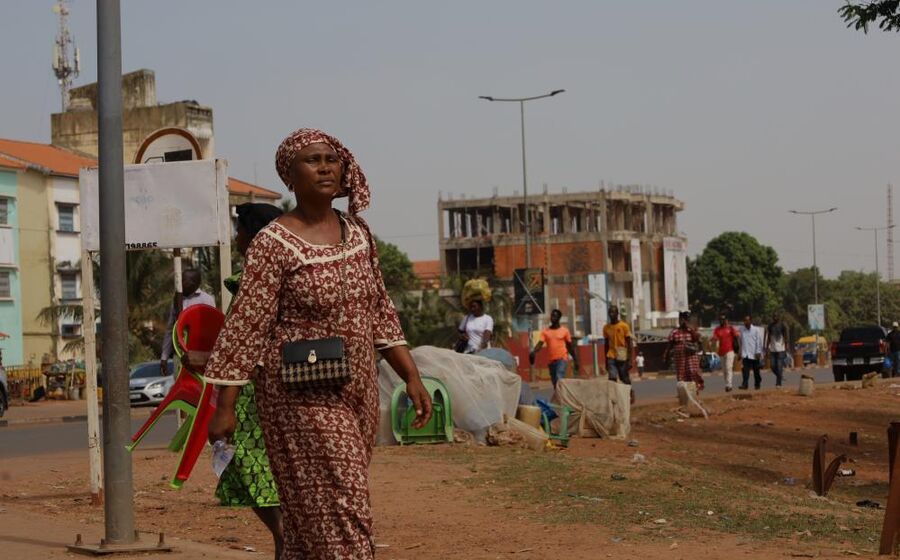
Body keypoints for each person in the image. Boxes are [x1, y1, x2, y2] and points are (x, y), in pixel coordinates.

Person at [205, 128, 433, 559]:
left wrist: (411, 376)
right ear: (290, 176)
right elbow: (246, 325)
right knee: (345, 502)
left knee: (320, 509)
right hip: (299, 394)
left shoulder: (359, 233)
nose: (326, 166)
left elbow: (380, 309)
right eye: (313, 160)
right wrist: (226, 405)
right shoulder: (273, 244)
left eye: (331, 158)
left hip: (359, 389)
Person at [214, 203, 284, 558]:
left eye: (239, 229)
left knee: (255, 474)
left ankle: (287, 540)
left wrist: (225, 407)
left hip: (254, 403)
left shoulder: (257, 283)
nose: (236, 236)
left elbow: (246, 347)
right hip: (254, 397)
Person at [160, 268, 216, 376]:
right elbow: (170, 329)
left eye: (184, 281)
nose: (181, 284)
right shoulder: (177, 300)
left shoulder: (207, 299)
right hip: (179, 354)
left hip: (199, 355)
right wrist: (164, 357)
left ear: (195, 283)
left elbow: (212, 327)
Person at [529, 309, 580, 387]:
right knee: (555, 382)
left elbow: (570, 347)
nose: (552, 318)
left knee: (559, 377)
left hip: (562, 359)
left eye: (555, 316)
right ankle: (560, 397)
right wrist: (534, 352)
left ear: (559, 318)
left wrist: (575, 360)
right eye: (552, 316)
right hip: (551, 361)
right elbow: (540, 343)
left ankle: (561, 397)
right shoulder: (546, 332)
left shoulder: (565, 331)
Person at [663, 311, 704, 390]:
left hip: (691, 356)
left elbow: (698, 340)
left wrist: (690, 329)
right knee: (681, 374)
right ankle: (683, 392)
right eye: (682, 319)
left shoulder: (692, 330)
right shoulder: (675, 332)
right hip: (680, 357)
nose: (683, 321)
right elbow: (670, 344)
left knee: (693, 371)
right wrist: (665, 355)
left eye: (685, 319)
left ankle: (695, 389)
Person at [602, 306, 633, 384]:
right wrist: (606, 360)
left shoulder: (624, 326)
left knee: (624, 377)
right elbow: (606, 344)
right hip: (611, 355)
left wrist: (629, 359)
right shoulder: (606, 328)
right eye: (610, 312)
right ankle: (614, 395)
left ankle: (629, 393)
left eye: (613, 312)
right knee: (612, 378)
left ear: (617, 313)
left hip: (622, 354)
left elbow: (629, 343)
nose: (611, 314)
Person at [711, 313, 741, 392]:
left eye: (723, 319)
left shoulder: (730, 328)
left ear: (726, 320)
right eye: (720, 319)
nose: (721, 321)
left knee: (729, 367)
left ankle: (729, 385)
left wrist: (739, 347)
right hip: (721, 351)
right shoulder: (717, 329)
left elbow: (737, 335)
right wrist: (713, 339)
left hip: (730, 350)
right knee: (724, 370)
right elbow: (715, 337)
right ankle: (727, 384)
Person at [738, 314, 764, 390]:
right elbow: (740, 341)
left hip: (754, 354)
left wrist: (758, 352)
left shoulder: (756, 330)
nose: (745, 322)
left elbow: (759, 341)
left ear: (751, 321)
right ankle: (745, 384)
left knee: (756, 371)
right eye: (744, 320)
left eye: (747, 320)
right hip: (745, 354)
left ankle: (757, 383)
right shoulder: (741, 329)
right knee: (745, 370)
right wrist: (740, 352)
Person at [765, 312, 789, 387]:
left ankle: (778, 383)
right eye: (773, 316)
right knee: (772, 366)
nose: (775, 317)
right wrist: (766, 347)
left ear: (779, 317)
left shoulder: (782, 325)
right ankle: (780, 376)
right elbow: (768, 336)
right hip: (773, 349)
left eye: (776, 316)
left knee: (779, 366)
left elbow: (786, 336)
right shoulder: (770, 326)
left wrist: (786, 345)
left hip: (781, 349)